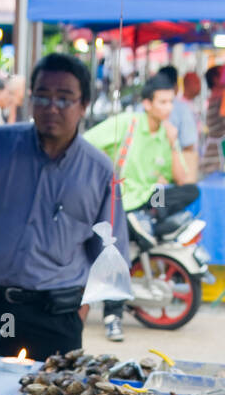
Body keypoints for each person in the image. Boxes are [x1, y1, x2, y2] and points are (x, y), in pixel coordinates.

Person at [0, 53, 129, 362]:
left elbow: (109, 251)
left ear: (84, 105)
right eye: (42, 96)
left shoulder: (100, 171)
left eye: (64, 99)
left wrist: (83, 308)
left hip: (58, 315)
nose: (51, 107)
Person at [84, 71, 198, 343]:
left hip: (148, 200)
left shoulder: (166, 134)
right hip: (119, 200)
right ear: (147, 104)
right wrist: (105, 172)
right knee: (117, 248)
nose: (168, 108)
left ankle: (147, 223)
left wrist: (172, 144)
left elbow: (182, 179)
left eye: (171, 102)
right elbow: (86, 142)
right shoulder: (128, 123)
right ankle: (113, 317)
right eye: (162, 102)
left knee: (192, 191)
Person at [160, 64, 199, 181]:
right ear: (176, 86)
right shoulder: (181, 109)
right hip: (172, 176)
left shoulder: (144, 109)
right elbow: (189, 146)